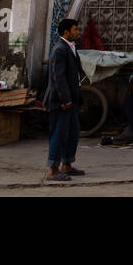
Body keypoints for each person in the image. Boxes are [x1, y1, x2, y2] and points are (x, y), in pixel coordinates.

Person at [42, 18, 84, 181]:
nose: (78, 32)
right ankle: (53, 169)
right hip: (61, 101)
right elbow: (58, 77)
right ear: (66, 32)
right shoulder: (60, 49)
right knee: (59, 134)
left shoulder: (70, 48)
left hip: (70, 101)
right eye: (75, 29)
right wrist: (65, 99)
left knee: (72, 132)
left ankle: (66, 164)